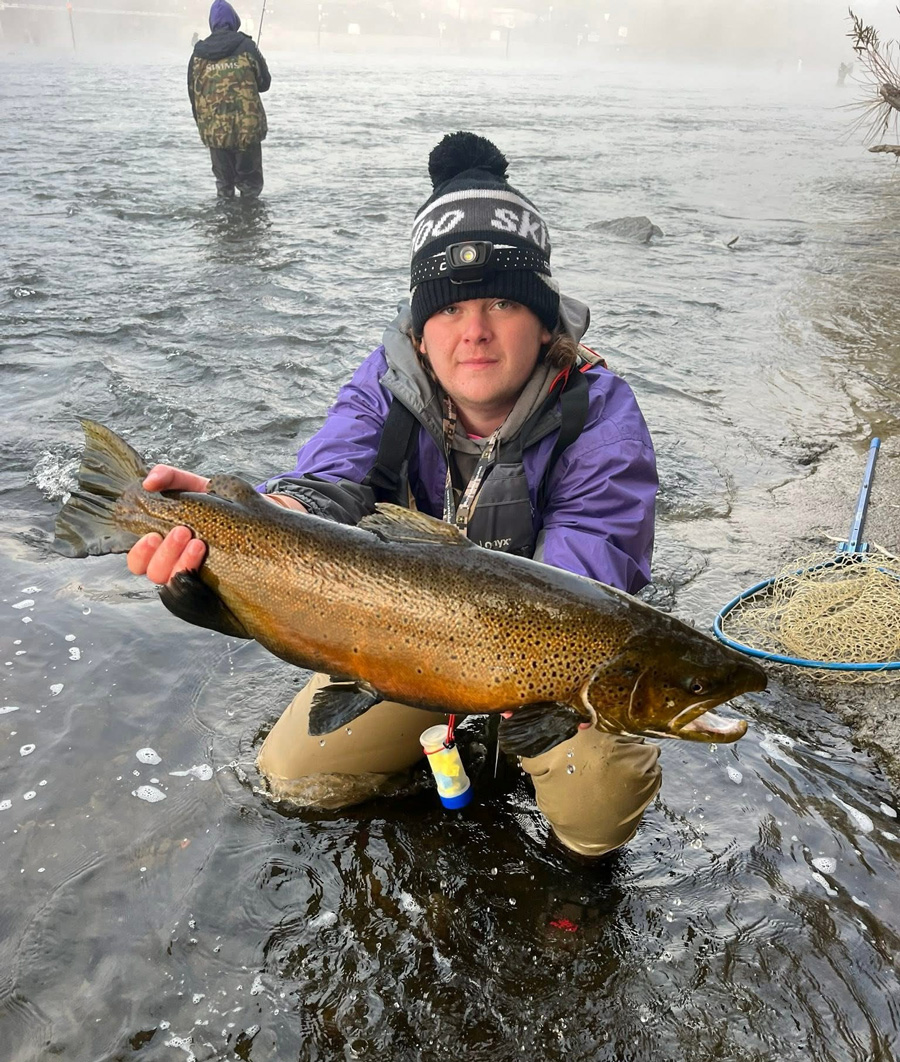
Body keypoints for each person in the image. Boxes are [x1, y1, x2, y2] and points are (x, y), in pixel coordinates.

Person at [126, 132, 661, 862]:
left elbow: (589, 578)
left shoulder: (599, 416)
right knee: (295, 778)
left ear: (545, 323)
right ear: (420, 327)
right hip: (404, 642)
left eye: (503, 302)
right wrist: (246, 538)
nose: (474, 331)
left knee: (599, 791)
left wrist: (507, 687)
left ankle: (565, 862)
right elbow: (325, 484)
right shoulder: (384, 386)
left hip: (545, 668)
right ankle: (445, 750)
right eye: (449, 309)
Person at [188, 0, 271, 200]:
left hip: (215, 133)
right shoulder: (247, 47)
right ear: (234, 21)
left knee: (224, 188)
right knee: (250, 188)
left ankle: (224, 219)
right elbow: (265, 83)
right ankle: (249, 219)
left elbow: (193, 95)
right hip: (246, 131)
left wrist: (206, 127)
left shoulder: (198, 54)